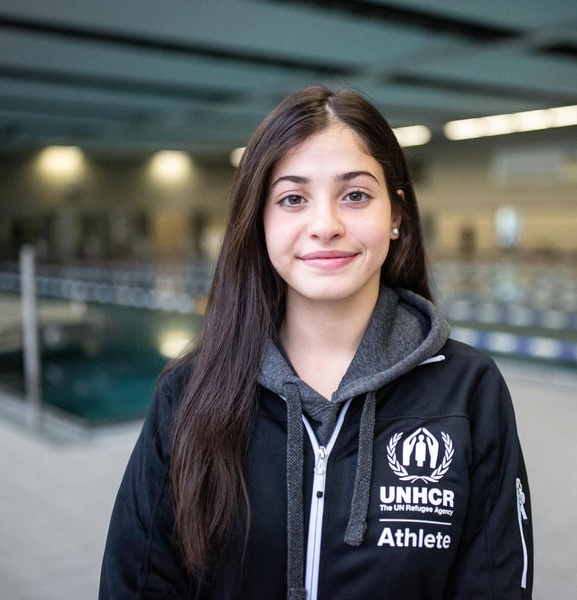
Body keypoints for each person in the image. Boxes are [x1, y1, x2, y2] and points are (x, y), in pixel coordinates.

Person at [100, 86, 533, 599]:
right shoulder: (189, 393)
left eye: (355, 195)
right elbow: (138, 584)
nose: (325, 226)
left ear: (395, 214)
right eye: (292, 199)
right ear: (260, 220)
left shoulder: (468, 392)